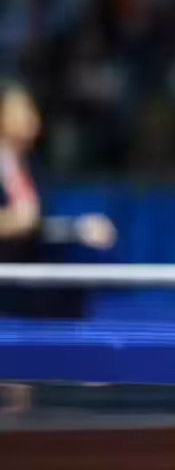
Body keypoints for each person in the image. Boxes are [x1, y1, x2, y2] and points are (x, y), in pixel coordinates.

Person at [0, 82, 116, 317]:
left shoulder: (32, 168)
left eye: (32, 110)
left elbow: (35, 224)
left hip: (26, 273)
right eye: (21, 110)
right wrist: (13, 221)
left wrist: (77, 229)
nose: (32, 118)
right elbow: (23, 221)